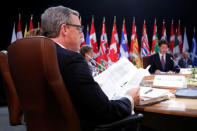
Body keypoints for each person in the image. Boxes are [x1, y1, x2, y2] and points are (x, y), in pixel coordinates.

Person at [41, 6, 140, 130]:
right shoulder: (72, 59)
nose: (82, 35)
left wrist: (90, 89)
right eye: (79, 29)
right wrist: (129, 98)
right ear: (64, 29)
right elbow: (105, 112)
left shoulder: (35, 55)